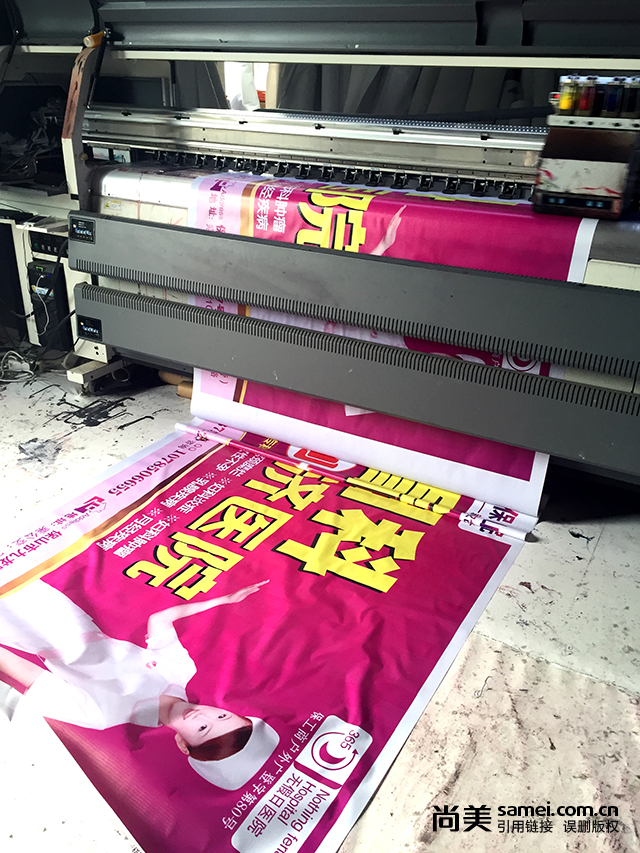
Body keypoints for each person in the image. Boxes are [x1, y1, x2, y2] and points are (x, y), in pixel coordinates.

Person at [0, 579, 278, 790]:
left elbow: (32, 676)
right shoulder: (181, 669)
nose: (202, 716)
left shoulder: (104, 716)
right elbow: (160, 620)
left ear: (183, 745)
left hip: (24, 630)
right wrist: (223, 600)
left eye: (203, 729)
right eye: (221, 716)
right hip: (66, 612)